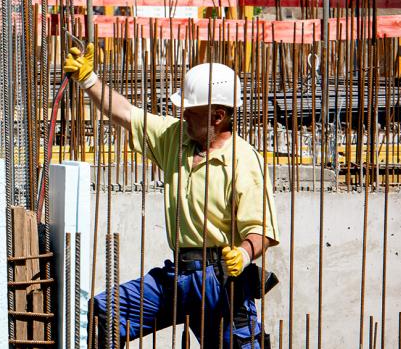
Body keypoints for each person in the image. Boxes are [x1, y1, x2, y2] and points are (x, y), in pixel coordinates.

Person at [63, 44, 278, 349]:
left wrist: (243, 254)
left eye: (190, 111)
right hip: (178, 275)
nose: (183, 115)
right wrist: (89, 80)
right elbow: (125, 113)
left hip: (219, 281)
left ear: (217, 116)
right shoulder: (176, 139)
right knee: (105, 314)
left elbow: (262, 231)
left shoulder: (245, 161)